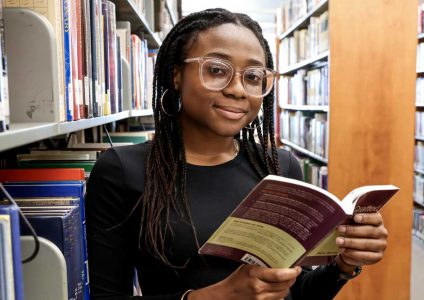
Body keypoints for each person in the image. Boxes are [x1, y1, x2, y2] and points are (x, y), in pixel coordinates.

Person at [85, 8, 388, 300]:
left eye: (254, 76)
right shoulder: (123, 170)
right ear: (176, 75)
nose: (238, 90)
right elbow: (107, 296)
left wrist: (345, 264)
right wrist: (211, 297)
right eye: (217, 70)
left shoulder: (280, 168)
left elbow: (296, 292)